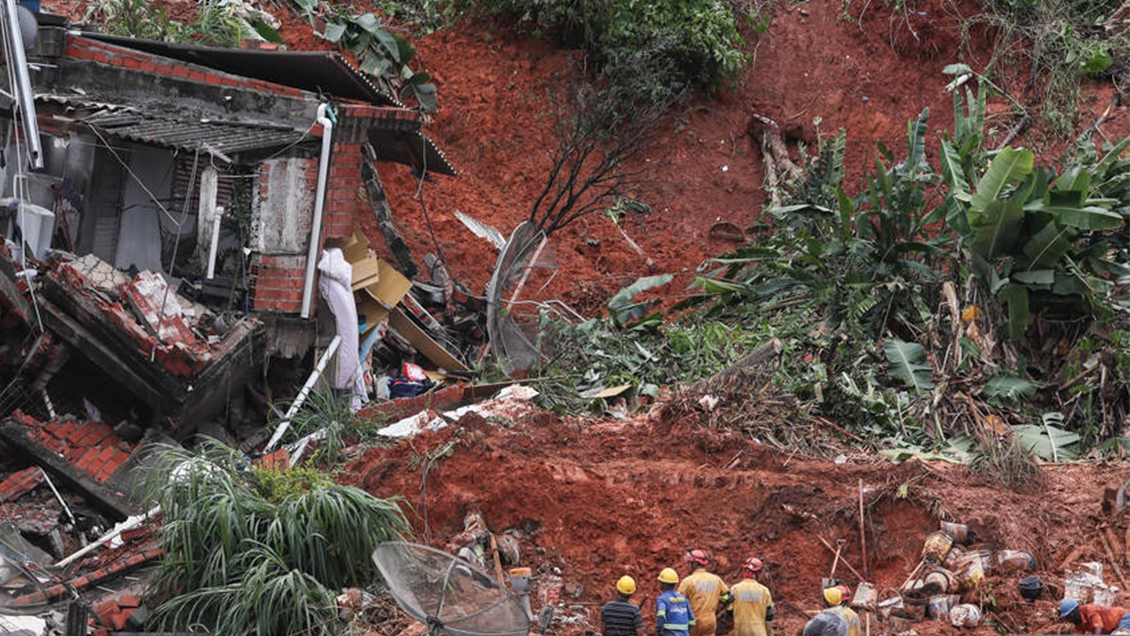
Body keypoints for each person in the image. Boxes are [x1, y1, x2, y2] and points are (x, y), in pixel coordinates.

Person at [678, 549, 731, 636]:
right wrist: (719, 598)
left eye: (689, 563)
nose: (687, 566)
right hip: (710, 622)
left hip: (693, 622)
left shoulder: (688, 581)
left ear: (694, 564)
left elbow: (678, 603)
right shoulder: (716, 579)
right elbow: (728, 597)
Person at [730, 557, 774, 636]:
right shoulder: (764, 591)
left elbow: (729, 612)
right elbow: (769, 616)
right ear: (758, 573)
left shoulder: (734, 589)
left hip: (740, 632)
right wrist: (769, 633)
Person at [657, 568, 695, 636]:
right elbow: (692, 621)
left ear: (662, 584)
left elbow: (661, 615)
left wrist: (659, 629)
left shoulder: (662, 599)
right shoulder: (684, 599)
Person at [1059, 598, 1130, 634]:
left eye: (1069, 617)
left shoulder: (1089, 610)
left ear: (1074, 612)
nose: (1069, 620)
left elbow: (1098, 627)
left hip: (1123, 619)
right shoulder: (1078, 624)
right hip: (1112, 629)